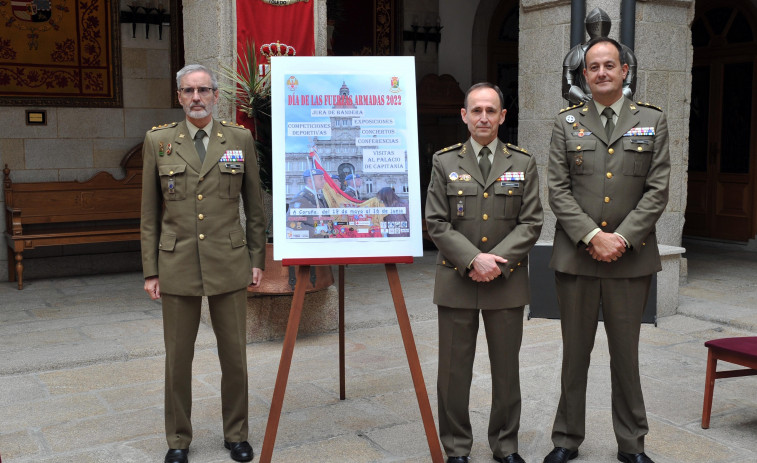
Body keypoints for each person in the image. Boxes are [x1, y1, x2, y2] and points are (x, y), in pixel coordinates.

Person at [543, 37, 670, 463]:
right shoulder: (565, 123)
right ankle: (565, 439)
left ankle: (631, 445)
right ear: (584, 75)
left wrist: (620, 238)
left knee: (626, 357)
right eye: (593, 67)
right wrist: (592, 237)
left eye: (609, 66)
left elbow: (657, 190)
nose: (601, 72)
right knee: (574, 354)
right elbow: (558, 191)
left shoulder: (652, 120)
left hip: (630, 259)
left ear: (624, 71)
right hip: (577, 258)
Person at [141, 64, 266, 463]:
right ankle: (178, 438)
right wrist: (150, 270)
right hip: (176, 264)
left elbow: (255, 205)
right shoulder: (158, 142)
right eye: (188, 91)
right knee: (178, 359)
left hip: (229, 261)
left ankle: (237, 434)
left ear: (216, 95)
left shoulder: (239, 138)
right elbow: (148, 213)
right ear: (178, 96)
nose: (196, 97)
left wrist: (256, 258)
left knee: (235, 356)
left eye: (203, 90)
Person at [425, 82, 543, 463]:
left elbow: (531, 223)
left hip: (505, 282)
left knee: (506, 372)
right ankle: (456, 447)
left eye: (491, 110)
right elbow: (436, 222)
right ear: (464, 115)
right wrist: (474, 259)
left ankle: (506, 445)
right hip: (457, 280)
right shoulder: (445, 162)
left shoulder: (522, 162)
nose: (483, 117)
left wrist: (495, 262)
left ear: (503, 116)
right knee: (454, 372)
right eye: (476, 110)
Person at [562, 8, 637, 105]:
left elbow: (630, 85)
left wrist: (615, 99)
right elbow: (567, 86)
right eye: (594, 67)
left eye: (609, 66)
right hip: (586, 105)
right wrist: (582, 97)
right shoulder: (576, 52)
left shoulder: (625, 52)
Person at [287, 168, 328, 238]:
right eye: (321, 179)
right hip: (312, 241)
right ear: (310, 181)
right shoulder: (301, 198)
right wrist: (315, 230)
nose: (324, 181)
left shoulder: (318, 196)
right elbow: (290, 222)